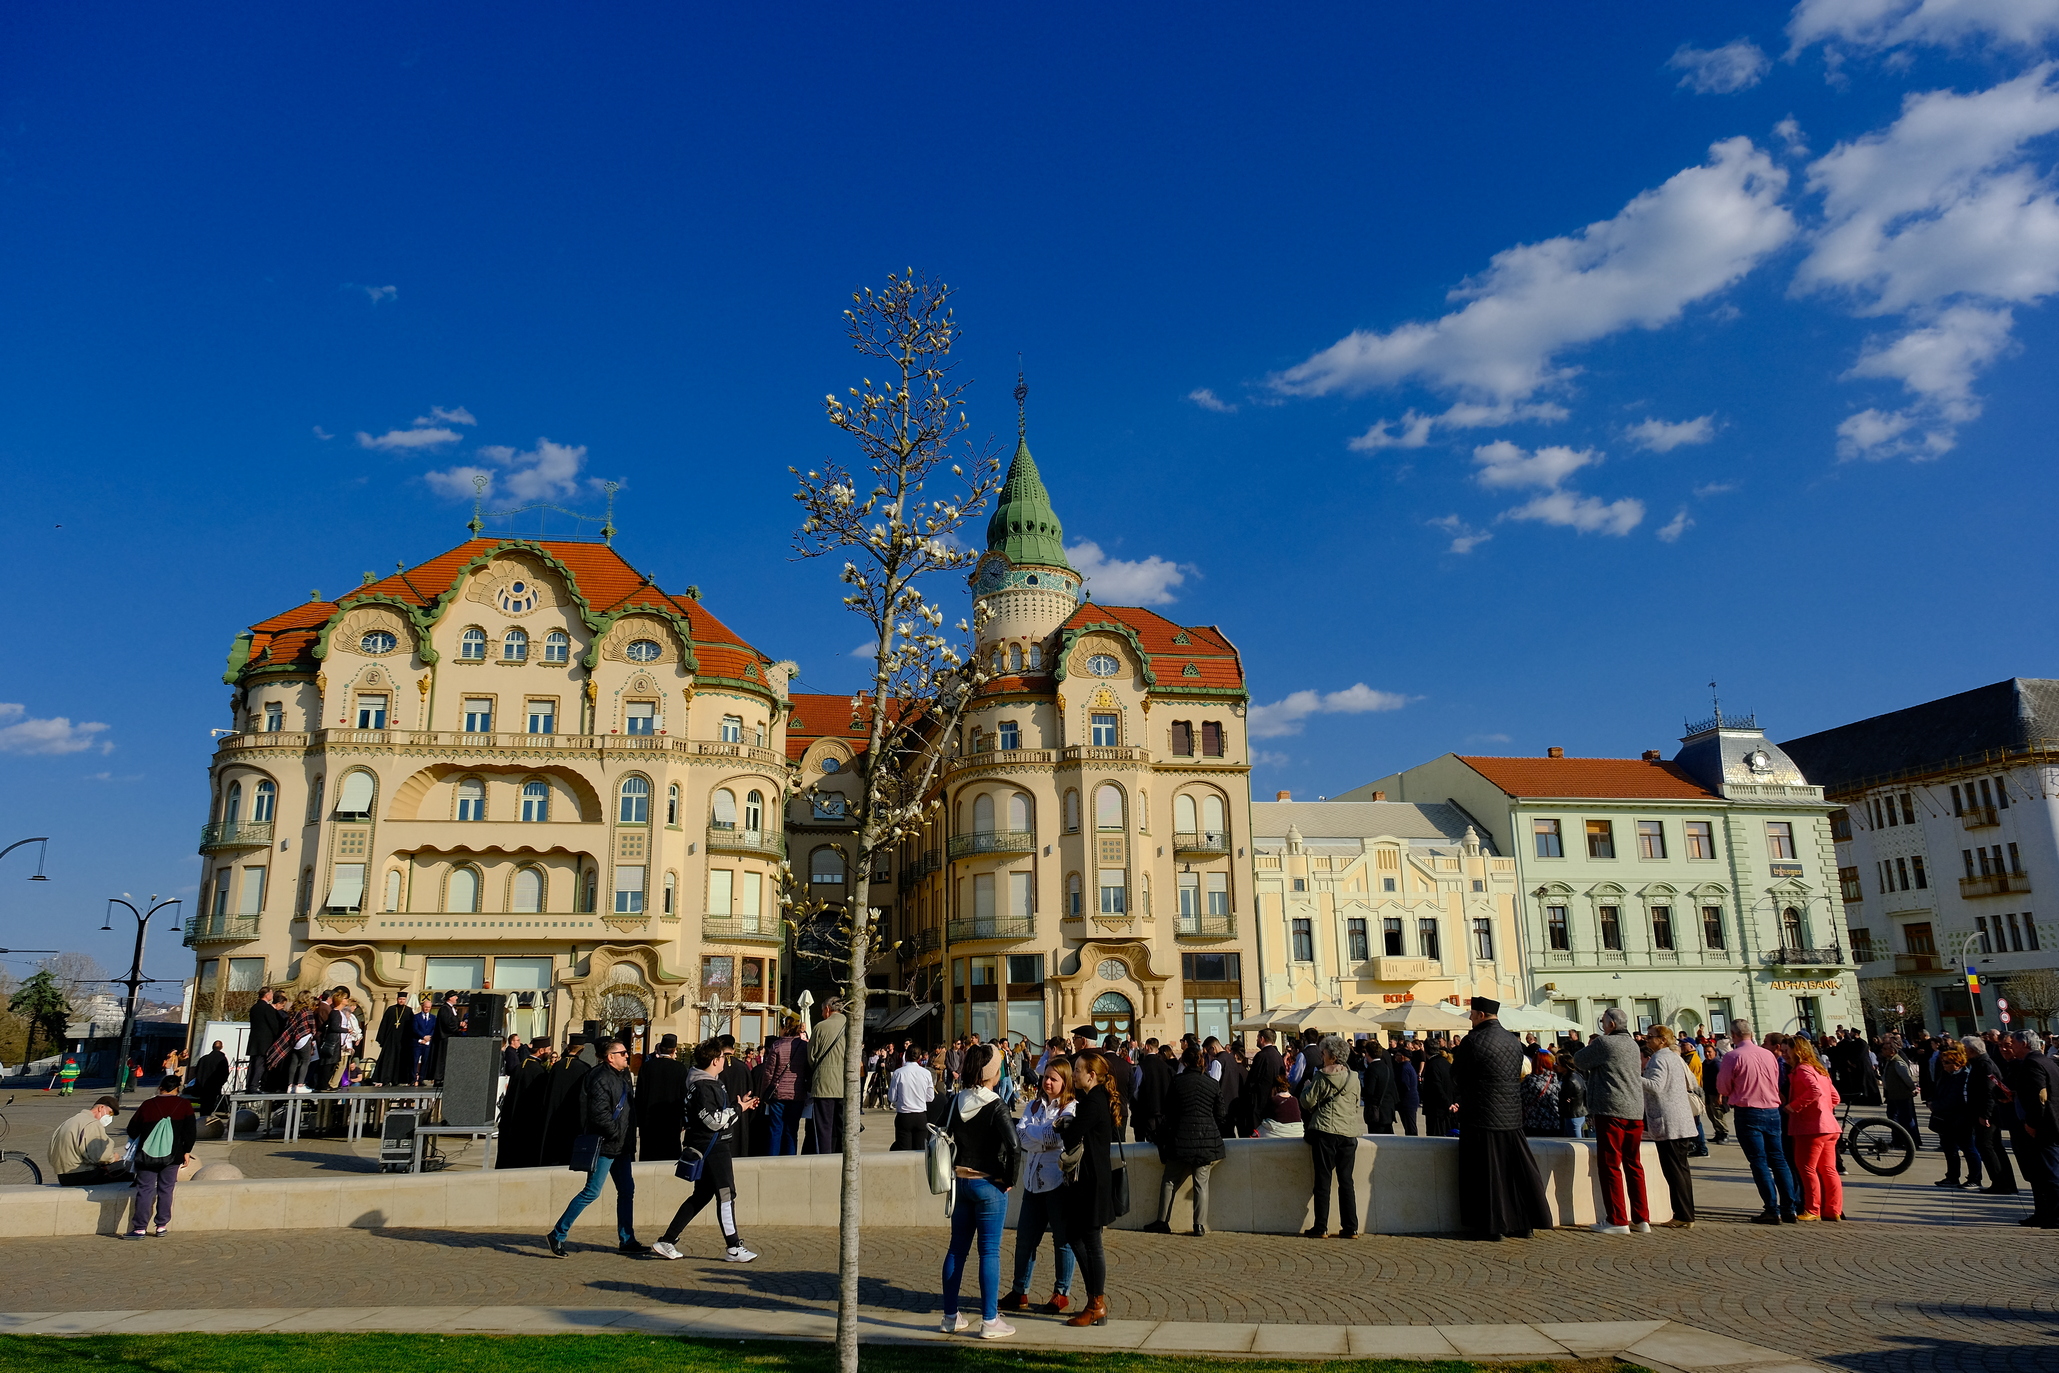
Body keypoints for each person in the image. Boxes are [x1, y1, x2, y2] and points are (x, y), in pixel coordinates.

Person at [1452, 998, 1554, 1241]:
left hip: (1481, 1113)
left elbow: (1457, 1074)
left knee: (1486, 1173)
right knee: (1516, 1171)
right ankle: (1524, 1223)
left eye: (1472, 1014)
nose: (1469, 1018)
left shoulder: (1473, 1041)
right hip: (1510, 1114)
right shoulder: (1512, 1041)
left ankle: (1493, 1226)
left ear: (1480, 1014)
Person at [653, 1038, 761, 1262]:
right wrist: (737, 1108)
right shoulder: (704, 1085)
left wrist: (739, 1105)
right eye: (722, 1057)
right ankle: (733, 1246)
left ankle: (667, 1240)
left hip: (710, 1143)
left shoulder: (704, 1081)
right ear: (714, 1060)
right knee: (726, 1195)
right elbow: (712, 1120)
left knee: (702, 1195)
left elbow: (713, 1113)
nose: (725, 1061)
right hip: (712, 1146)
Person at [937, 1042, 1017, 1339]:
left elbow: (941, 1133)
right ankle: (990, 1320)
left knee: (957, 1249)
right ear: (993, 1072)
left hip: (961, 1182)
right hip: (988, 1183)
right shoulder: (996, 1104)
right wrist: (1009, 1178)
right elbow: (1014, 1146)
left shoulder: (956, 1100)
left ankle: (949, 1315)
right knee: (989, 1251)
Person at [545, 1039, 648, 1257]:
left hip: (621, 1147)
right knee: (591, 1191)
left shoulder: (622, 1076)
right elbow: (598, 1114)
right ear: (610, 1057)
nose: (627, 1056)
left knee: (627, 1190)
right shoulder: (600, 1077)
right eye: (622, 1053)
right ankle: (558, 1233)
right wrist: (616, 1133)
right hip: (606, 1145)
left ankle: (627, 1239)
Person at [1000, 1060, 1077, 1314]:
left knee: (1062, 1240)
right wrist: (1040, 1135)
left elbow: (1056, 1137)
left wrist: (1037, 1135)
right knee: (1024, 1239)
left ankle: (1061, 1292)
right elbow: (1019, 1135)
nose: (1047, 1082)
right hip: (1032, 1182)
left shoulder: (1071, 1107)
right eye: (1045, 1077)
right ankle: (1019, 1291)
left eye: (1054, 1079)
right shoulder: (1034, 1104)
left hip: (1057, 1182)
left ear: (1065, 1081)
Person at [1059, 1048, 1122, 1328]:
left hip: (1092, 1180)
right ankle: (1094, 1300)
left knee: (1091, 1242)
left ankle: (1096, 1303)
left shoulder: (1094, 1101)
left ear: (1091, 1075)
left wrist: (1064, 1124)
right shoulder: (1094, 1098)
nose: (1073, 1074)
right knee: (1077, 1236)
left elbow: (1071, 1136)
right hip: (1091, 1178)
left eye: (1077, 1070)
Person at [1716, 1019, 1800, 1223]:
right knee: (1779, 1160)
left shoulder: (1732, 1056)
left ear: (1734, 1035)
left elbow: (1723, 1088)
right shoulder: (1768, 1055)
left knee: (1759, 1161)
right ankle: (1789, 1207)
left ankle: (1772, 1208)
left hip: (1748, 1111)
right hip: (1772, 1109)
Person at [1575, 1007, 1648, 1235]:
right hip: (1635, 1109)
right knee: (1634, 1164)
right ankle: (1641, 1218)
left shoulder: (1605, 1043)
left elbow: (1579, 1060)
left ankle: (1617, 1219)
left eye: (1604, 1021)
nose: (1602, 1025)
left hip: (1611, 1108)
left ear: (1611, 1025)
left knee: (1610, 1164)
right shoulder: (1633, 1045)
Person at [1146, 1044, 1226, 1235]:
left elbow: (1169, 1112)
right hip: (1206, 1139)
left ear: (1184, 1062)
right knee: (1201, 1183)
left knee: (1169, 1180)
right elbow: (1221, 1114)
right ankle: (1199, 1225)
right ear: (1201, 1061)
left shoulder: (1177, 1082)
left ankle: (1162, 1221)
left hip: (1180, 1138)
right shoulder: (1212, 1083)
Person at [1299, 1034, 1363, 1239]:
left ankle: (1321, 1226)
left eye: (1324, 1052)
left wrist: (1307, 1086)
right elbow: (1355, 1103)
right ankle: (1351, 1227)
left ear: (1332, 1056)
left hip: (1326, 1131)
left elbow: (1307, 1102)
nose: (1321, 1055)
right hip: (1349, 1132)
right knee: (1346, 1181)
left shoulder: (1322, 1076)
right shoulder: (1354, 1077)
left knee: (1323, 1180)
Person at [1998, 1031, 2059, 1228]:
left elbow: (2039, 1097)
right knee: (2040, 1175)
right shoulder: (2044, 1061)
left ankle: (2055, 1216)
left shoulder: (2033, 1063)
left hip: (2043, 1128)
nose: (2011, 1047)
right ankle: (2043, 1213)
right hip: (2047, 1124)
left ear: (2023, 1043)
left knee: (2050, 1174)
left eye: (2013, 1043)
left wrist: (2032, 1124)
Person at [125, 1075, 197, 1237]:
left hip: (146, 1156)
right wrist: (186, 1151)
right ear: (177, 1088)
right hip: (173, 1155)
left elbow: (132, 1129)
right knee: (166, 1189)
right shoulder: (184, 1105)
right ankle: (161, 1226)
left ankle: (139, 1228)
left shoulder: (148, 1105)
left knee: (144, 1190)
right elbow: (190, 1132)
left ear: (160, 1087)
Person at [1641, 1026, 1697, 1228]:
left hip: (1669, 1121)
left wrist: (1633, 1077)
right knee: (1681, 1170)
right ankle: (1686, 1213)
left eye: (1651, 1037)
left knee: (1674, 1171)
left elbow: (1656, 1085)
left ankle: (1683, 1214)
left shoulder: (1659, 1058)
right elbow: (1691, 1081)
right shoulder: (1675, 1057)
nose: (1647, 1040)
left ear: (1662, 1040)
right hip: (1680, 1120)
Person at [1784, 1035, 1843, 1221]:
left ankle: (1812, 1209)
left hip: (1811, 1127)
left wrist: (1794, 1106)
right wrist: (1825, 1109)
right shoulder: (1820, 1070)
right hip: (1829, 1126)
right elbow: (1835, 1098)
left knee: (1806, 1168)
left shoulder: (1802, 1070)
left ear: (1797, 1051)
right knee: (1828, 1169)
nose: (1785, 1054)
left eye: (1787, 1050)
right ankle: (1833, 1209)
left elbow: (1814, 1091)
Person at [1964, 1035, 2019, 1194]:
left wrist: (1985, 1114)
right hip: (1984, 1111)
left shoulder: (1985, 1064)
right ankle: (2003, 1182)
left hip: (1989, 1113)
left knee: (1987, 1145)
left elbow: (1989, 1091)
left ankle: (2001, 1182)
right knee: (1991, 1146)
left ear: (1972, 1050)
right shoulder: (1979, 1063)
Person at [537, 1035, 598, 1167]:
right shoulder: (584, 1068)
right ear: (582, 1050)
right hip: (573, 1114)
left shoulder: (557, 1066)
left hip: (554, 1113)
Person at [496, 1042, 554, 1169]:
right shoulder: (538, 1071)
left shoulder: (520, 1066)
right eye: (548, 1049)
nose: (550, 1052)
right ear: (542, 1050)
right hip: (527, 1119)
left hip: (511, 1117)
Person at [1930, 1039, 1978, 1187]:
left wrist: (1936, 1105)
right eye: (1943, 1062)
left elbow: (1956, 1098)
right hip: (1946, 1118)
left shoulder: (1964, 1076)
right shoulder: (1947, 1075)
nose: (1943, 1066)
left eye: (1947, 1063)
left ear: (1957, 1063)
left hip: (1960, 1118)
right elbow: (1940, 1091)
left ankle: (1975, 1178)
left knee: (1968, 1148)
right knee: (1949, 1148)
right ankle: (1952, 1176)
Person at [635, 1034, 688, 1161]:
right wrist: (683, 1120)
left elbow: (639, 1095)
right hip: (672, 1119)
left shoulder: (647, 1067)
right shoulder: (680, 1069)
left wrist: (639, 1118)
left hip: (649, 1120)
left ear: (660, 1049)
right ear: (674, 1050)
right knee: (670, 1156)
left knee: (649, 1155)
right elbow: (684, 1096)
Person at [50, 1095, 126, 1184]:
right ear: (101, 1108)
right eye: (110, 1113)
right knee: (130, 1167)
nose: (110, 1118)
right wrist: (114, 1157)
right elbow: (101, 1156)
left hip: (63, 1176)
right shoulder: (92, 1124)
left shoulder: (70, 1121)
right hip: (83, 1174)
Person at [807, 998, 848, 1154]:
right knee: (843, 1125)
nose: (822, 1013)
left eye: (822, 1010)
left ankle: (825, 1157)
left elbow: (811, 1056)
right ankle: (842, 1154)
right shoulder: (851, 1026)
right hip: (845, 1084)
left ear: (828, 1009)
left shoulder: (821, 1027)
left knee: (824, 1127)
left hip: (824, 1083)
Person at [762, 1017, 806, 1156]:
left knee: (775, 1129)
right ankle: (790, 1159)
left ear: (784, 1028)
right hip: (797, 1093)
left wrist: (765, 1092)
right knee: (792, 1130)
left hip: (778, 1093)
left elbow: (769, 1072)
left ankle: (772, 1158)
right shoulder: (804, 1046)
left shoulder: (777, 1045)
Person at [890, 1045, 937, 1150]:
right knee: (920, 1152)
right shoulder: (926, 1073)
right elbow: (930, 1097)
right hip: (920, 1116)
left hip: (904, 1115)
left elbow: (892, 1097)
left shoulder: (898, 1073)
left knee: (903, 1151)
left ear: (905, 1056)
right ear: (920, 1057)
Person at [274, 992, 320, 1093]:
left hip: (294, 1040)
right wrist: (313, 1034)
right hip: (305, 1038)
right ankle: (300, 1084)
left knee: (294, 1062)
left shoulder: (294, 1010)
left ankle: (290, 1085)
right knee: (305, 1061)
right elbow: (312, 1026)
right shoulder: (307, 1011)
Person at [1131, 1037, 1172, 1146]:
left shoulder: (1142, 1066)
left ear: (1147, 1047)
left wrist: (1138, 1102)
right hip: (1163, 1110)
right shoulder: (1165, 1066)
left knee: (1143, 1144)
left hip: (1145, 1111)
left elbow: (1135, 1089)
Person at [1880, 1036, 1920, 1148]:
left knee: (1906, 1119)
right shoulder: (1890, 1061)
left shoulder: (1898, 1062)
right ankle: (1897, 1140)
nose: (1882, 1051)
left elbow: (1907, 1078)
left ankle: (1912, 1142)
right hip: (1893, 1095)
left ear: (1892, 1051)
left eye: (1885, 1049)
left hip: (1901, 1095)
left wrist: (1913, 1089)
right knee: (1894, 1118)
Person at [246, 989, 285, 1091]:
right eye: (271, 993)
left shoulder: (254, 1007)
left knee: (253, 1064)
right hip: (265, 1041)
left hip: (254, 1040)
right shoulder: (267, 1008)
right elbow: (274, 1025)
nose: (272, 995)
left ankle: (249, 1085)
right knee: (260, 1064)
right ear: (267, 995)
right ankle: (254, 1086)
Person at [373, 992, 414, 1085]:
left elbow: (411, 1026)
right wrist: (381, 1039)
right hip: (390, 1039)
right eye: (400, 999)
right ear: (397, 999)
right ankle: (385, 1079)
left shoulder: (408, 1011)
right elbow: (384, 1024)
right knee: (388, 1059)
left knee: (400, 1059)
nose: (401, 1001)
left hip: (403, 1040)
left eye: (403, 999)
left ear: (406, 1000)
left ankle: (398, 1080)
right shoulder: (391, 1009)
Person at [1362, 1044, 1401, 1134]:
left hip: (1377, 1111)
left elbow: (1369, 1091)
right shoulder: (1386, 1067)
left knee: (1377, 1137)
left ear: (1368, 1054)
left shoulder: (1371, 1069)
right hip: (1388, 1109)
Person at [1420, 1044, 1457, 1136]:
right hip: (1449, 1107)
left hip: (1436, 1109)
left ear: (1425, 1050)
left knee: (1436, 1138)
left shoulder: (1432, 1065)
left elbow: (1436, 1087)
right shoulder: (1446, 1062)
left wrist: (1447, 1103)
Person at [431, 992, 466, 1084]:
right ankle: (438, 1078)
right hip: (444, 1038)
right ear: (450, 998)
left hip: (450, 1038)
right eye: (455, 996)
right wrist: (458, 1024)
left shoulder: (451, 1009)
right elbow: (447, 1023)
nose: (457, 998)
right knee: (441, 1058)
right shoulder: (444, 1009)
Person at [188, 1040, 232, 1114]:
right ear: (221, 1047)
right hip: (214, 1086)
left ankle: (202, 1120)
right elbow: (225, 1073)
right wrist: (220, 1083)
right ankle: (206, 1120)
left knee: (204, 1106)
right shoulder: (222, 1059)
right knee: (210, 1106)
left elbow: (196, 1072)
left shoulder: (204, 1058)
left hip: (202, 1086)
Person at [410, 995, 440, 1086]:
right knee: (414, 1061)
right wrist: (423, 1037)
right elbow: (414, 1029)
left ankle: (421, 1079)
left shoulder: (433, 1018)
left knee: (425, 1061)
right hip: (417, 1042)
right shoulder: (416, 1017)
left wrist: (429, 1037)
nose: (427, 1009)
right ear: (422, 1007)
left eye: (429, 1007)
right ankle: (412, 1079)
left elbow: (434, 1029)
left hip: (427, 1043)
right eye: (425, 1007)